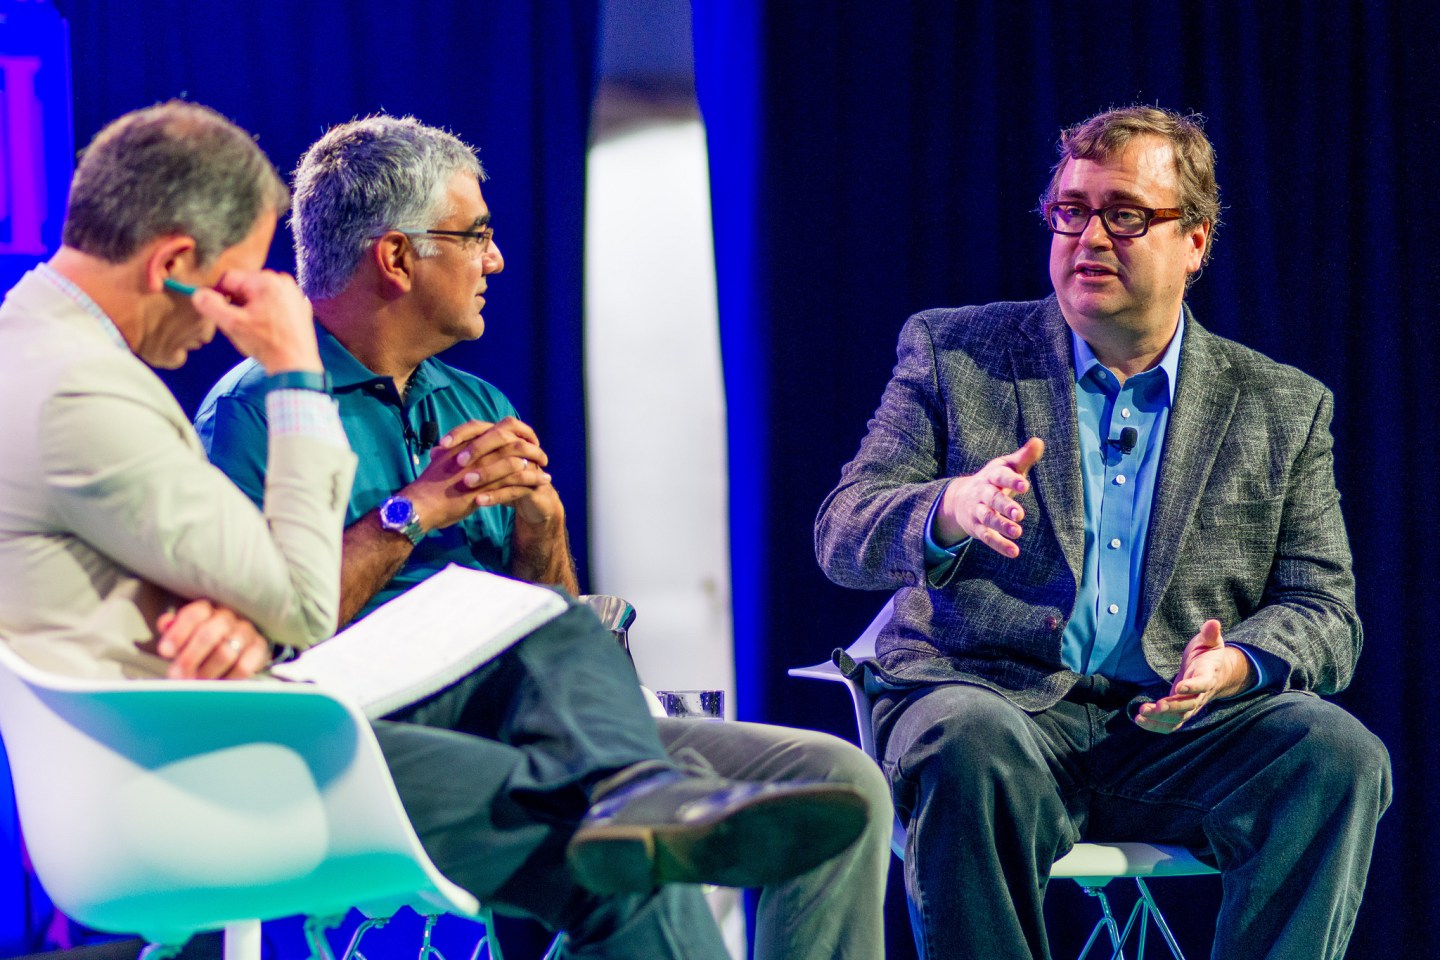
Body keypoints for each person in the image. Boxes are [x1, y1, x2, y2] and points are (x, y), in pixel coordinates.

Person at [0, 101, 869, 960]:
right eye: (236, 283)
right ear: (396, 257)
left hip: (520, 715)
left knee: (837, 778)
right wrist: (402, 505)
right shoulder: (202, 400)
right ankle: (627, 790)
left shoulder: (475, 402)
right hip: (302, 735)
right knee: (603, 849)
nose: (495, 259)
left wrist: (542, 531)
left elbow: (552, 640)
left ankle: (630, 785)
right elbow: (290, 614)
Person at [814, 105, 1392, 959]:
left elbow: (1325, 609)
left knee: (1337, 755)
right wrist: (945, 510)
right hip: (994, 708)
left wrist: (1237, 663)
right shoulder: (955, 354)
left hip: (1176, 734)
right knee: (966, 743)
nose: (1087, 237)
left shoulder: (1282, 406)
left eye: (1124, 215)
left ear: (1195, 241)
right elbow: (841, 531)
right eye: (1070, 211)